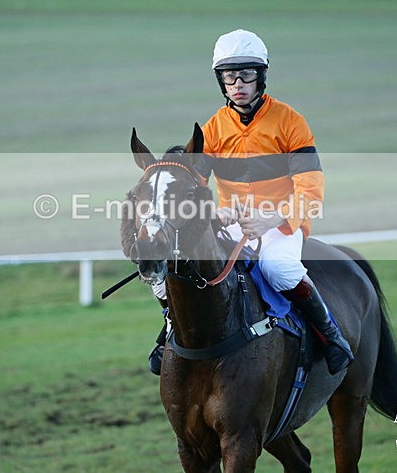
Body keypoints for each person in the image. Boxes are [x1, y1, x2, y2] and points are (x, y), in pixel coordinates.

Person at [148, 29, 353, 376]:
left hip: (279, 225)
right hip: (230, 226)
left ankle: (331, 336)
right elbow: (193, 188)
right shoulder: (212, 130)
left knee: (279, 268)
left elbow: (311, 188)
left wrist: (272, 219)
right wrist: (213, 212)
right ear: (221, 82)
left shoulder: (290, 122)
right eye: (230, 76)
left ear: (262, 76)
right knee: (181, 268)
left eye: (247, 74)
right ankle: (168, 333)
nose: (238, 83)